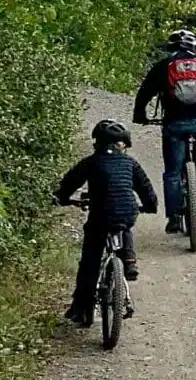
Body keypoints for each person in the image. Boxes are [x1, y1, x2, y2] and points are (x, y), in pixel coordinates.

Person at [56, 120, 158, 327]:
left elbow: (70, 182)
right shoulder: (130, 163)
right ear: (123, 144)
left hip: (100, 215)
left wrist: (62, 198)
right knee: (124, 224)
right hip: (127, 212)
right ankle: (129, 260)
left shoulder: (91, 162)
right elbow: (146, 188)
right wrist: (150, 206)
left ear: (97, 143)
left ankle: (81, 307)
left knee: (90, 260)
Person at [133, 28, 196, 232]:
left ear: (170, 47)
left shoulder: (163, 66)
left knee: (172, 173)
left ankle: (174, 218)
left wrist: (140, 116)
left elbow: (144, 93)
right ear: (193, 46)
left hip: (174, 123)